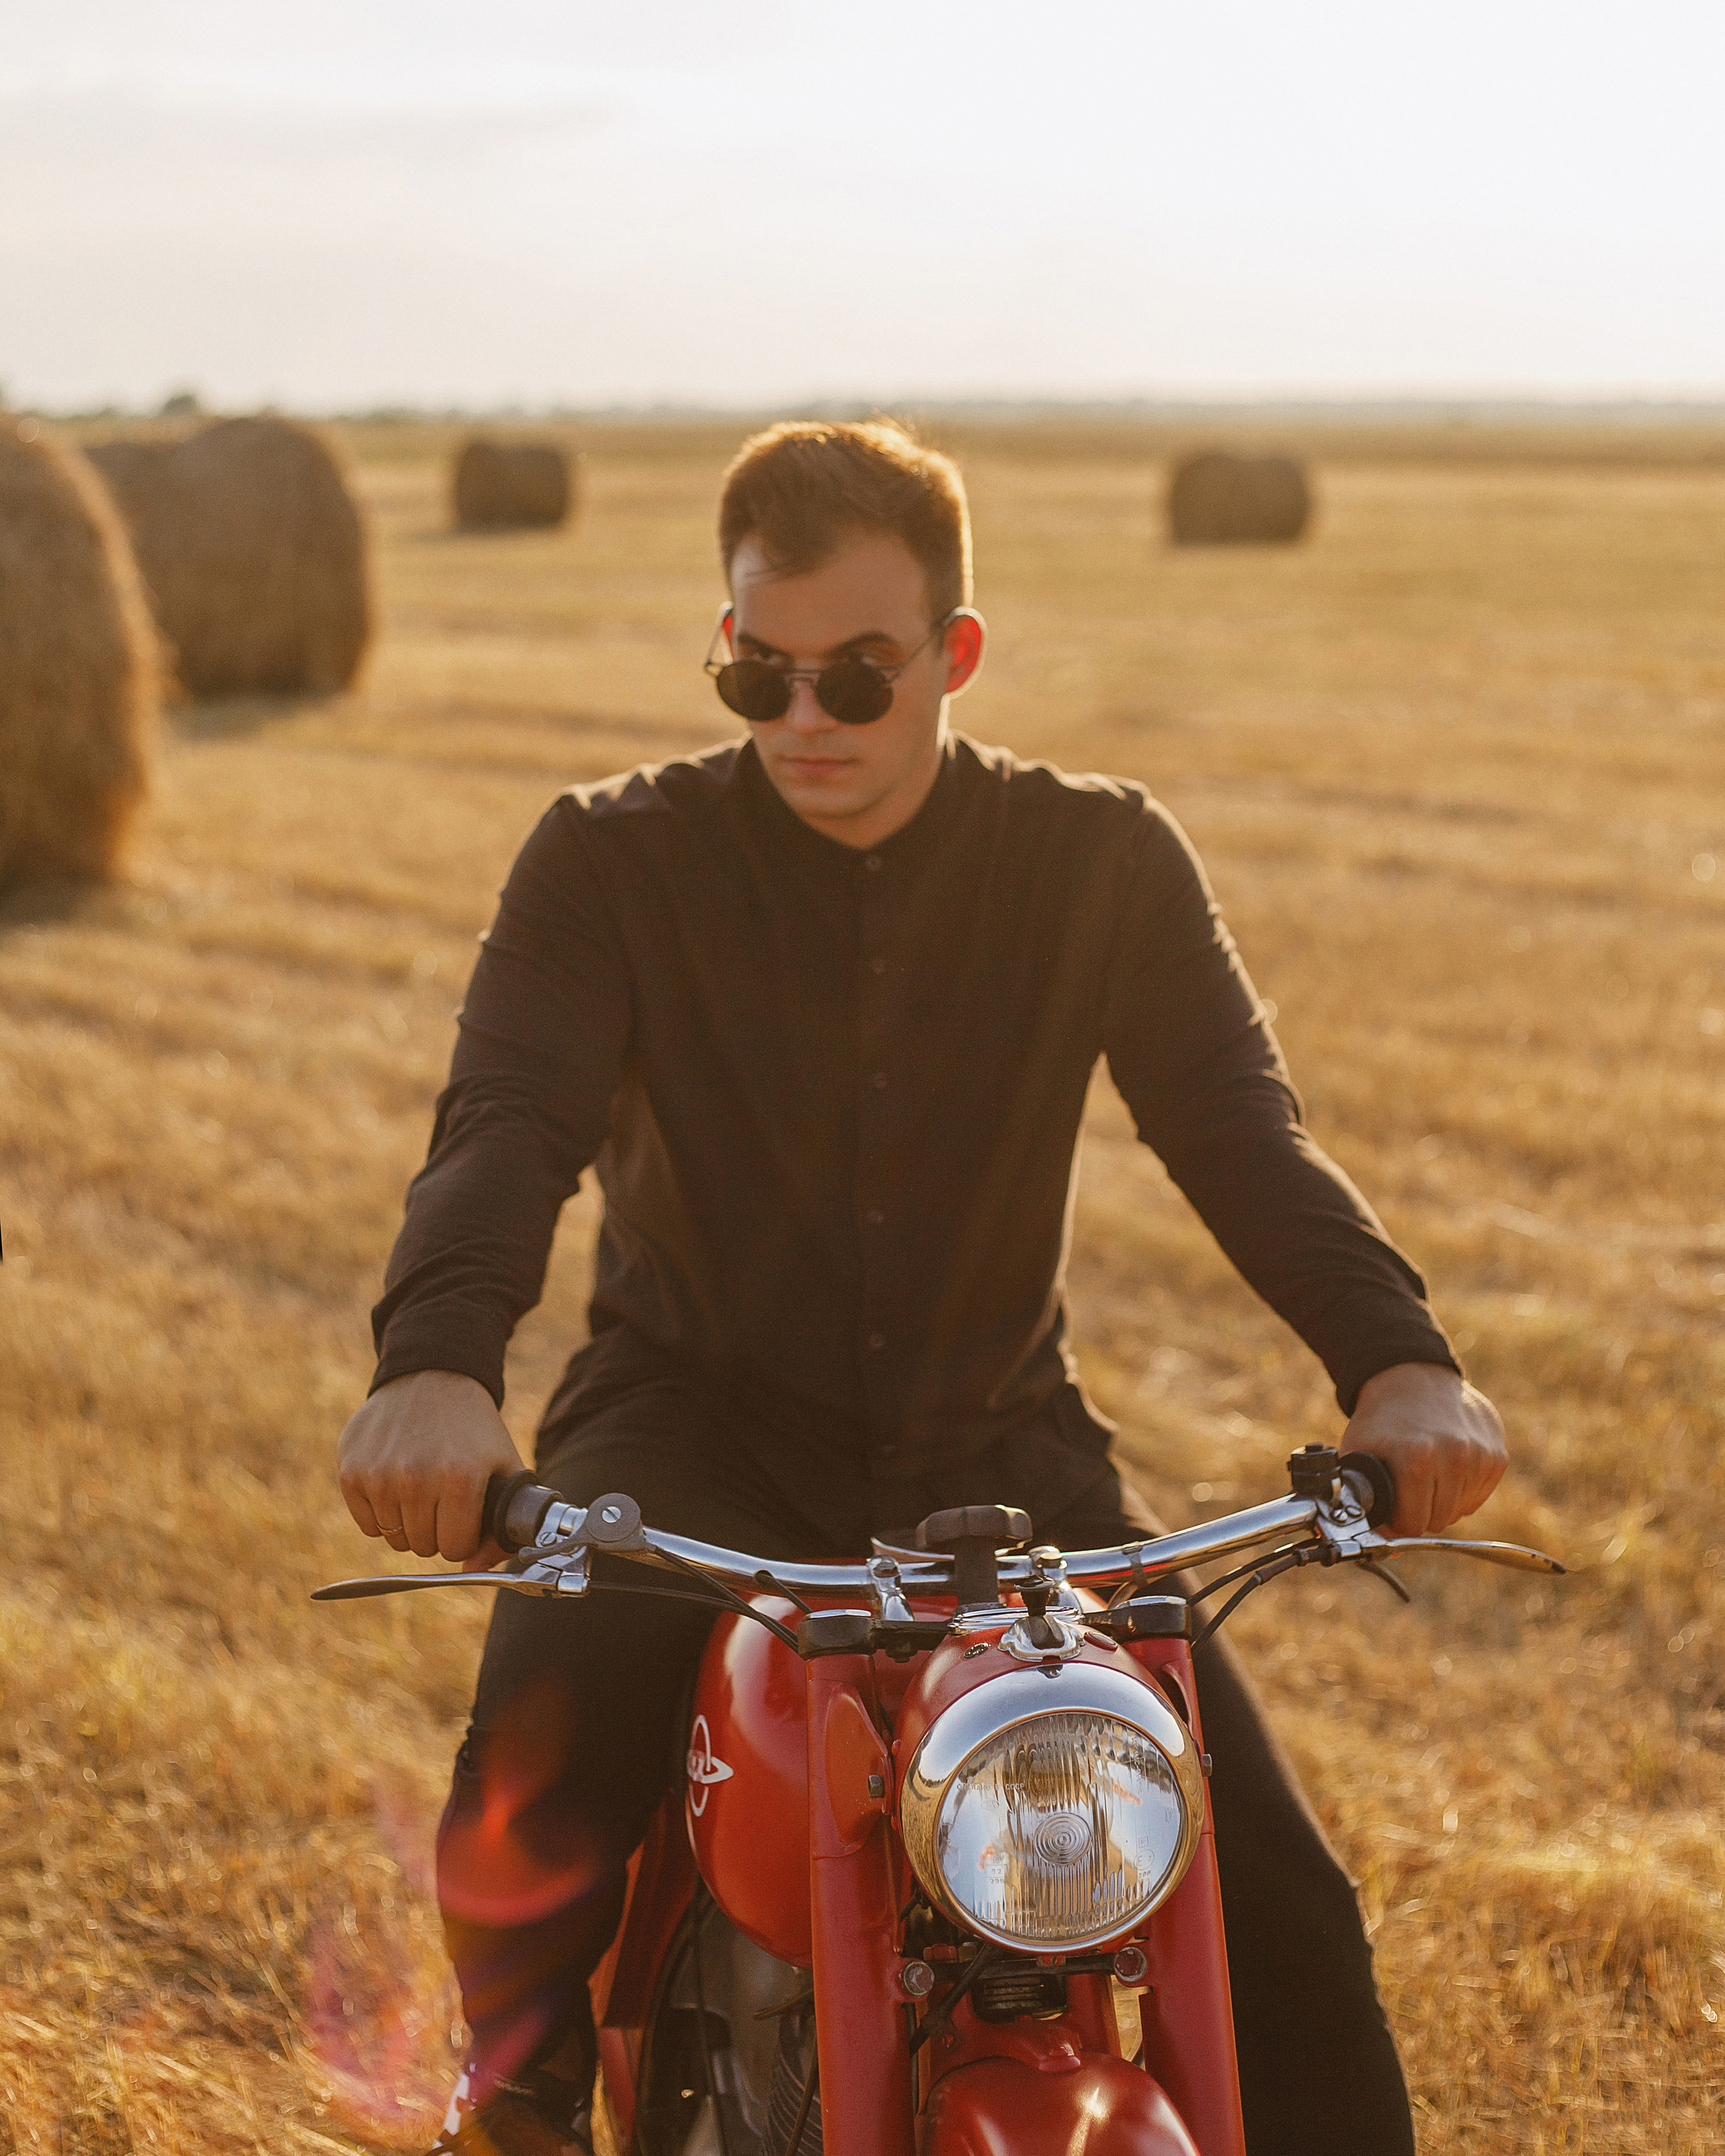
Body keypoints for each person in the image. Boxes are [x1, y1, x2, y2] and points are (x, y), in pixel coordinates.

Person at [338, 420, 1507, 2156]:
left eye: (857, 679)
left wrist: (1399, 1361)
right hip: (689, 1430)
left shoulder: (1098, 857)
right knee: (542, 1784)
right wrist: (436, 1364)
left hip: (1004, 1452)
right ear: (724, 651)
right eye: (763, 678)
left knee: (1287, 1920)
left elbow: (1241, 1134)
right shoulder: (606, 859)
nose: (805, 722)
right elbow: (509, 1123)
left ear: (954, 655)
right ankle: (501, 2112)